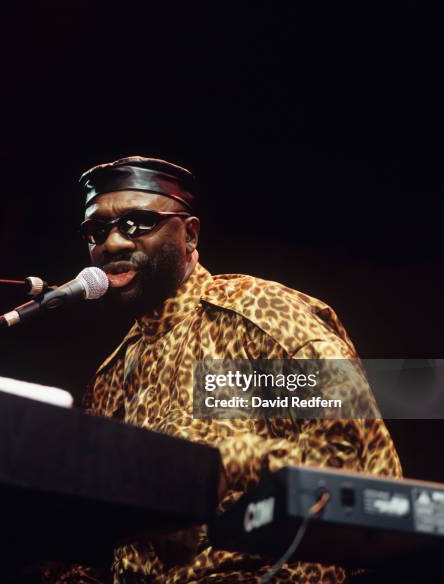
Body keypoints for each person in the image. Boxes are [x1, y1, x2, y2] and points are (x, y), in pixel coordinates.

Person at [45, 156, 402, 583]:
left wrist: (215, 465)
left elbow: (361, 472)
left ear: (190, 233)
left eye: (138, 223)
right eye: (96, 230)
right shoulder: (110, 377)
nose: (114, 243)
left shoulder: (256, 319)